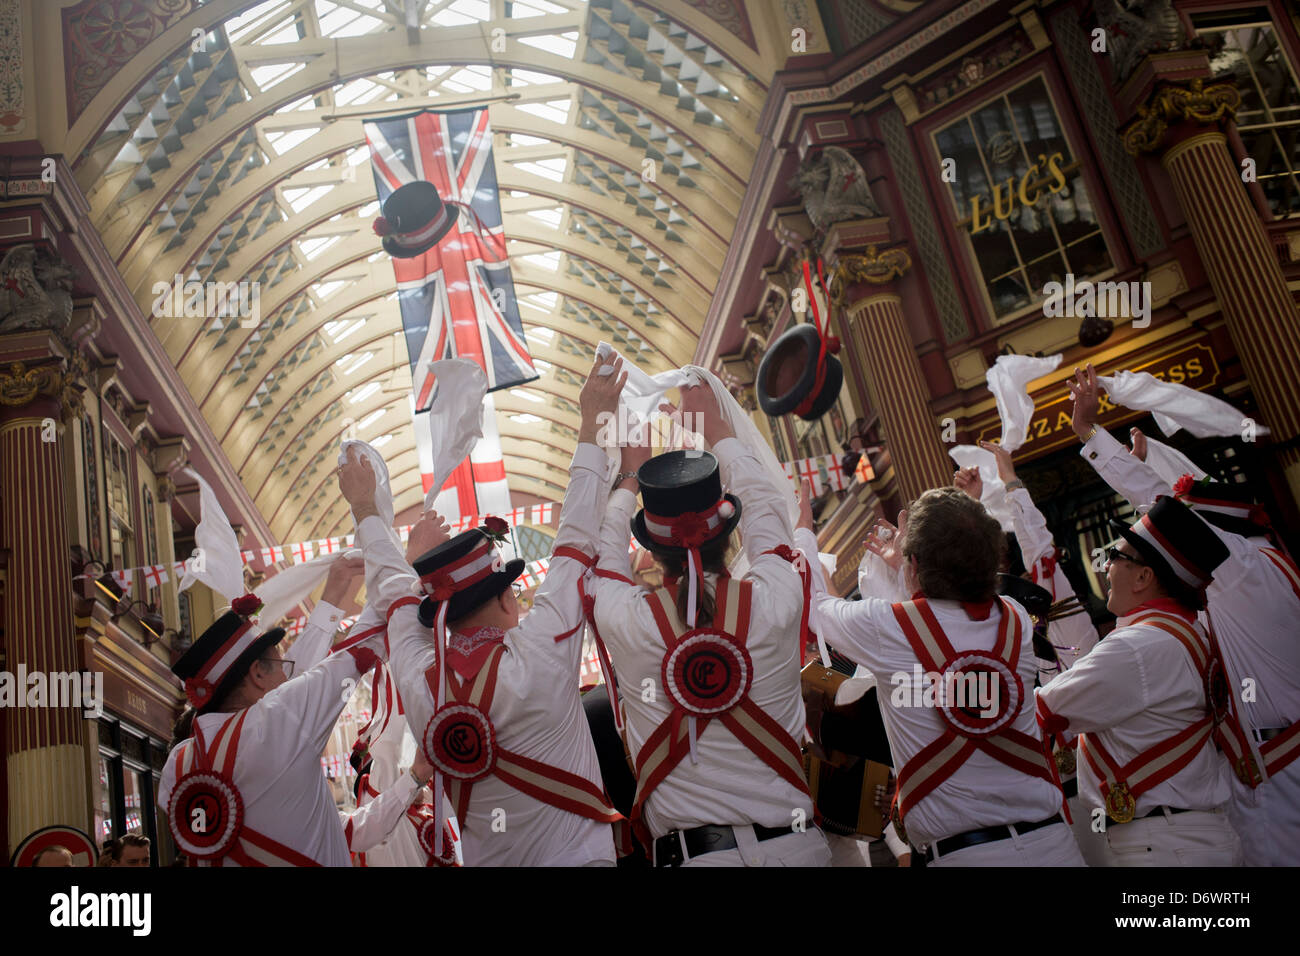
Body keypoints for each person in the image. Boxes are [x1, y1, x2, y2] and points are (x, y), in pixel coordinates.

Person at [342, 354, 625, 866]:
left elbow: (394, 587)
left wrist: (366, 509)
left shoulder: (421, 680)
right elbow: (576, 536)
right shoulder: (544, 645)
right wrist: (592, 421)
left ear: (439, 618)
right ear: (504, 597)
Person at [589, 383, 831, 867]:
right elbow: (767, 511)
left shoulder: (630, 619)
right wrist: (720, 434)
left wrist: (630, 478)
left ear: (652, 552)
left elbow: (599, 559)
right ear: (728, 530)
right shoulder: (778, 596)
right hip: (796, 850)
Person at [1068, 363, 1300, 864]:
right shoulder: (1248, 567)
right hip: (1255, 772)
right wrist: (1156, 457)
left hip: (1282, 777)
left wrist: (1091, 433)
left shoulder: (1249, 571)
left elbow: (1166, 509)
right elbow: (1173, 506)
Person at [809, 485, 1081, 866]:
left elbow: (814, 605)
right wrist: (910, 567)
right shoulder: (1016, 618)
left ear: (916, 565)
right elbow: (947, 609)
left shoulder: (889, 627)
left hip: (964, 856)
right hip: (1054, 846)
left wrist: (806, 533)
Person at [1036, 496, 1246, 865]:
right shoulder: (1186, 632)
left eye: (1115, 557)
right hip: (1187, 835)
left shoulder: (1137, 646)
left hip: (1163, 843)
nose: (1105, 567)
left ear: (1144, 576)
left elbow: (1040, 711)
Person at [158, 591, 389, 867]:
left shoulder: (177, 764)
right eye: (282, 666)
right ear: (256, 673)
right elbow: (363, 646)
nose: (287, 677)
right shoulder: (276, 719)